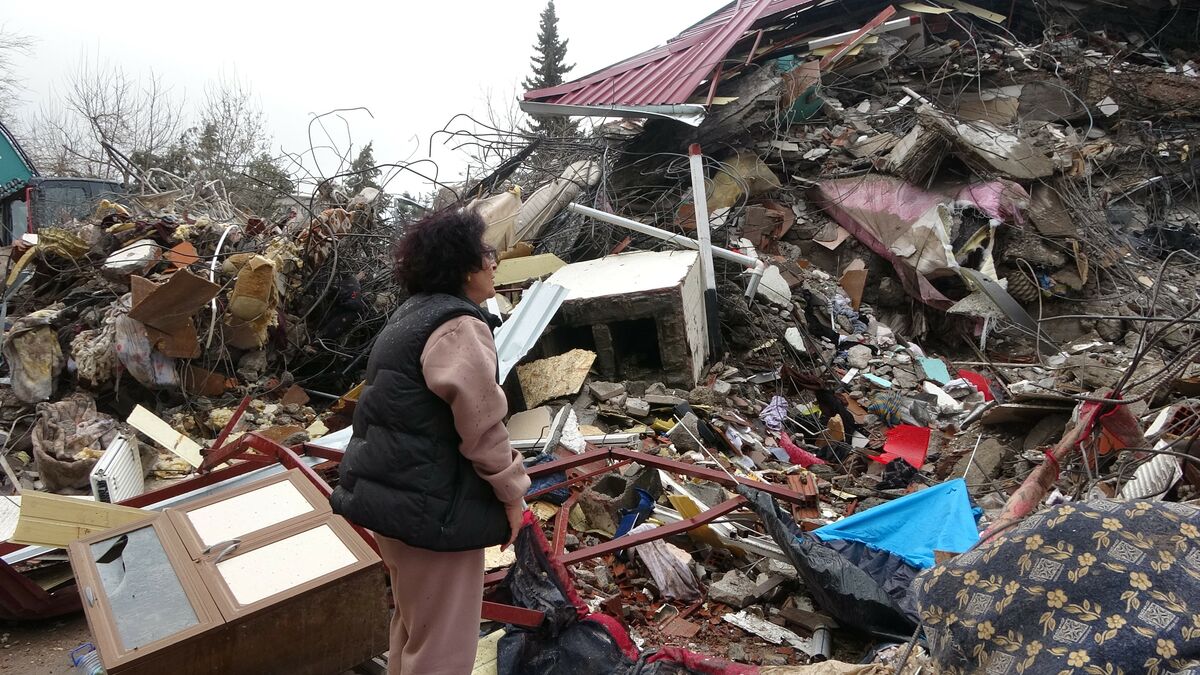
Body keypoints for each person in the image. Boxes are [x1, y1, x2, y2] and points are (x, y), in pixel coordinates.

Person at [330, 208, 530, 675]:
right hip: (432, 514)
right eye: (486, 252)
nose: (494, 261)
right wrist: (513, 493)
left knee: (414, 630)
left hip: (394, 508)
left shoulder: (412, 315)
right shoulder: (459, 325)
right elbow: (483, 428)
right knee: (442, 649)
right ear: (462, 263)